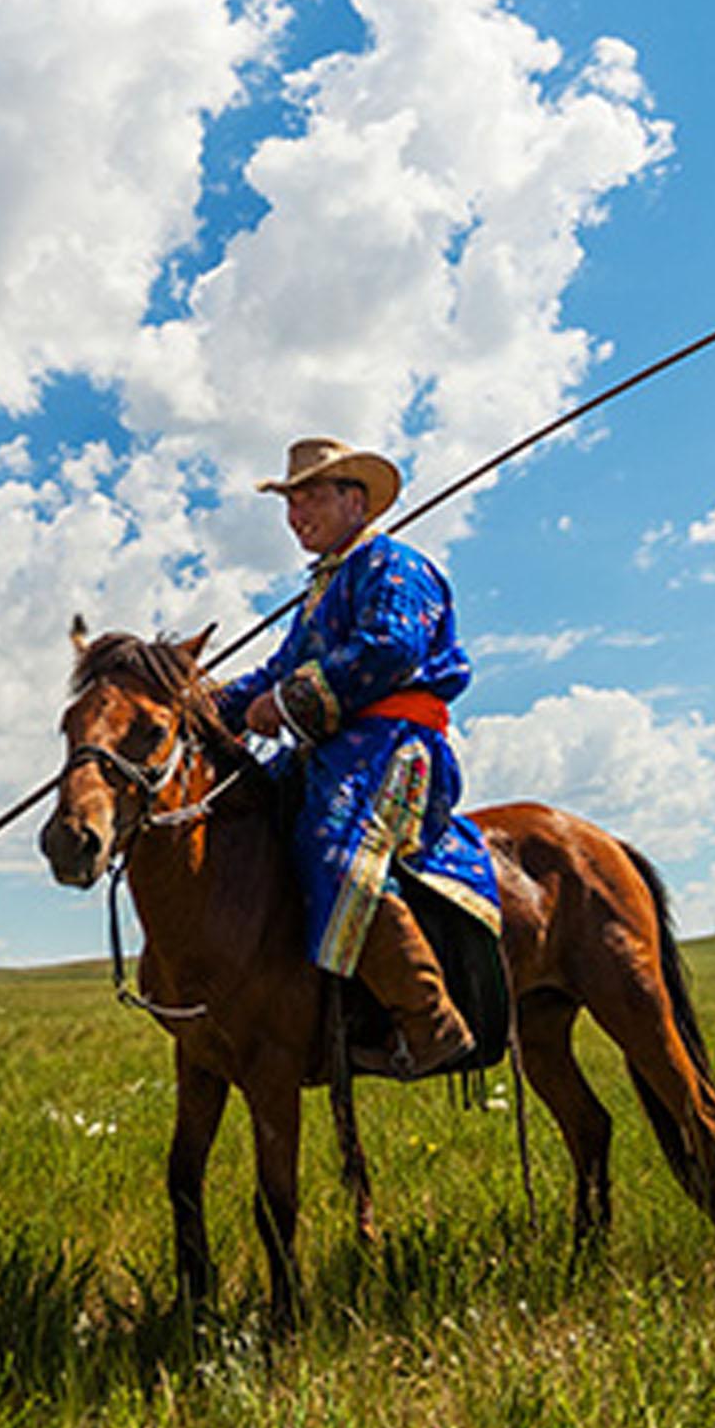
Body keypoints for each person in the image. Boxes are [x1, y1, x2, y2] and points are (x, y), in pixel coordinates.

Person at [212, 437, 502, 1080]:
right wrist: (203, 703)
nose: (294, 516)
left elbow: (391, 648)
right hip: (331, 747)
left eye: (309, 497)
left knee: (334, 844)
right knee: (250, 817)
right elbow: (275, 672)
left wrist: (286, 702)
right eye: (289, 502)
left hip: (395, 743)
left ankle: (431, 1022)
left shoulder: (394, 565)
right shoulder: (323, 588)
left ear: (355, 500)